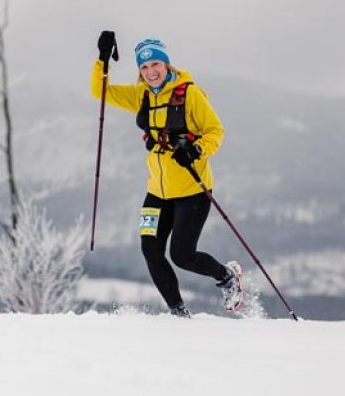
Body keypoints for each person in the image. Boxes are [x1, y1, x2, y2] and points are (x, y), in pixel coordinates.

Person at [91, 31, 244, 317]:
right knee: (150, 250)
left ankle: (227, 276)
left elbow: (215, 131)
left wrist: (197, 150)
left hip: (192, 191)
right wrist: (102, 59)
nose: (151, 72)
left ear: (167, 65)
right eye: (144, 67)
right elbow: (100, 91)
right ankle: (178, 312)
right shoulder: (142, 95)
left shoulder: (190, 94)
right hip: (157, 192)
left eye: (156, 65)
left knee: (182, 256)